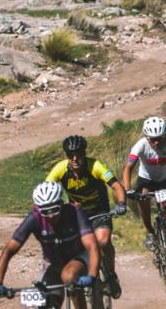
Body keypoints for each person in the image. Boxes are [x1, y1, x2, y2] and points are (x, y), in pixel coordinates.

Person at [0, 180, 100, 309]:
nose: (50, 215)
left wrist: (92, 275)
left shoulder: (74, 212)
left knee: (69, 276)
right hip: (53, 262)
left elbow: (92, 245)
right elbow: (9, 250)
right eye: (45, 211)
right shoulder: (34, 218)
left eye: (54, 210)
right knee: (45, 304)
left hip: (78, 257)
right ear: (38, 208)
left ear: (61, 203)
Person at [46, 134, 127, 298]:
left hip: (100, 211)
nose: (75, 159)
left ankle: (111, 275)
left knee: (103, 242)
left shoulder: (95, 166)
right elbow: (46, 188)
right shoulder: (60, 169)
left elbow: (116, 186)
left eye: (78, 154)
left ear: (84, 153)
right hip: (77, 214)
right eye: (70, 155)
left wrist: (121, 203)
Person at [122, 115, 166, 249]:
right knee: (143, 200)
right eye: (152, 139)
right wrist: (128, 189)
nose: (156, 143)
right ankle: (150, 232)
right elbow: (128, 167)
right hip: (146, 181)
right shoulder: (140, 145)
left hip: (164, 179)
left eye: (159, 138)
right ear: (147, 137)